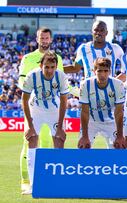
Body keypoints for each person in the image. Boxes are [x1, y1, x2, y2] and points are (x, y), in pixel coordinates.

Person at [18, 27, 64, 194]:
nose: (44, 40)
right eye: (41, 38)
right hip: (33, 107)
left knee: (48, 143)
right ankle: (26, 181)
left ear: (50, 39)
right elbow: (22, 83)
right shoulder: (28, 58)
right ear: (37, 39)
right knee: (29, 141)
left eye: (47, 38)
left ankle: (46, 179)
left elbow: (61, 83)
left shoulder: (57, 58)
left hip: (52, 108)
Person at [77, 58, 126, 149]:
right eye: (99, 71)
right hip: (91, 122)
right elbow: (84, 111)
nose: (103, 74)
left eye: (106, 71)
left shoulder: (118, 84)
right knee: (83, 147)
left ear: (110, 71)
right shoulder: (85, 84)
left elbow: (119, 112)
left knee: (120, 147)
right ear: (94, 71)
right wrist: (84, 136)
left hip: (111, 121)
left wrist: (120, 136)